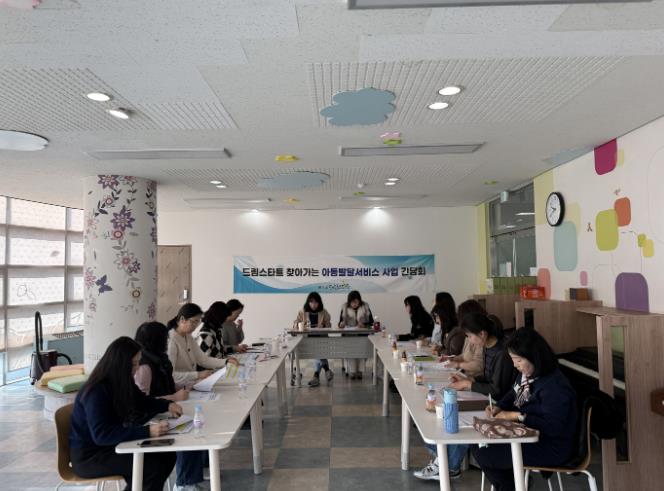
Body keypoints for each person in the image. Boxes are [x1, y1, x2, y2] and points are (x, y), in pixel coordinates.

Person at [415, 313, 516, 482]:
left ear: (482, 334)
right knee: (449, 410)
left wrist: (468, 384)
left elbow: (497, 389)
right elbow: (488, 378)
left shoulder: (502, 353)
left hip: (498, 405)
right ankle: (444, 461)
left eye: (470, 336)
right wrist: (470, 380)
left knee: (459, 417)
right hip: (488, 399)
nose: (469, 341)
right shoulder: (488, 347)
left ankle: (449, 466)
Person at [69, 337, 180, 491]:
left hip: (113, 445)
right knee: (150, 467)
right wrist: (147, 431)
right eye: (133, 364)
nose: (137, 368)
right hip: (91, 456)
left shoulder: (121, 381)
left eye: (138, 362)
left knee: (167, 454)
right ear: (120, 364)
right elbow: (102, 435)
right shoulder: (96, 391)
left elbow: (141, 401)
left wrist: (167, 405)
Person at [475, 328, 578, 491]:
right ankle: (517, 485)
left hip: (550, 445)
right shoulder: (528, 375)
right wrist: (499, 406)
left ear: (534, 357)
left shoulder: (555, 387)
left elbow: (553, 427)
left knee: (486, 455)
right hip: (528, 434)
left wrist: (518, 416)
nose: (515, 365)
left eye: (518, 360)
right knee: (477, 446)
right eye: (513, 360)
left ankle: (515, 486)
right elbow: (513, 393)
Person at [135, 322, 209, 491]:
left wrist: (188, 385)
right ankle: (184, 484)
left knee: (196, 426)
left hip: (165, 411)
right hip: (151, 419)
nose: (167, 342)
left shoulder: (160, 359)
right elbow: (142, 402)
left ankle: (189, 480)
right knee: (189, 434)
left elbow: (169, 383)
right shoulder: (144, 366)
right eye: (164, 339)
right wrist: (173, 398)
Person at [168, 303, 235, 387]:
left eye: (198, 322)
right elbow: (171, 375)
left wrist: (225, 361)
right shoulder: (171, 340)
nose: (195, 326)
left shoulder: (188, 336)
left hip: (190, 384)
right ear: (182, 319)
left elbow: (202, 359)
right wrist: (198, 375)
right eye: (194, 321)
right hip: (177, 388)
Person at [440, 299, 488, 377]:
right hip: (467, 376)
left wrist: (458, 364)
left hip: (475, 379)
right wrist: (452, 359)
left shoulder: (480, 337)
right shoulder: (469, 333)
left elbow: (479, 364)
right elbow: (464, 355)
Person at [294, 292, 333, 387]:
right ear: (308, 302)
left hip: (321, 339)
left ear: (319, 303)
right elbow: (295, 323)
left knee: (318, 352)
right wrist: (300, 325)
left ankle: (316, 376)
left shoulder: (324, 312)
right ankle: (327, 369)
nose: (313, 304)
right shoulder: (302, 312)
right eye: (311, 302)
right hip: (307, 340)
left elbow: (329, 325)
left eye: (316, 302)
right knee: (319, 353)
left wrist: (324, 325)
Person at [338, 290, 373, 379]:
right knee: (350, 352)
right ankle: (352, 371)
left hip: (363, 335)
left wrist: (364, 325)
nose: (353, 304)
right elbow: (340, 323)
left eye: (356, 302)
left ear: (359, 301)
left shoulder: (365, 307)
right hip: (349, 335)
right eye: (351, 302)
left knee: (363, 352)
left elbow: (371, 322)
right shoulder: (345, 308)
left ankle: (360, 371)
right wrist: (341, 324)